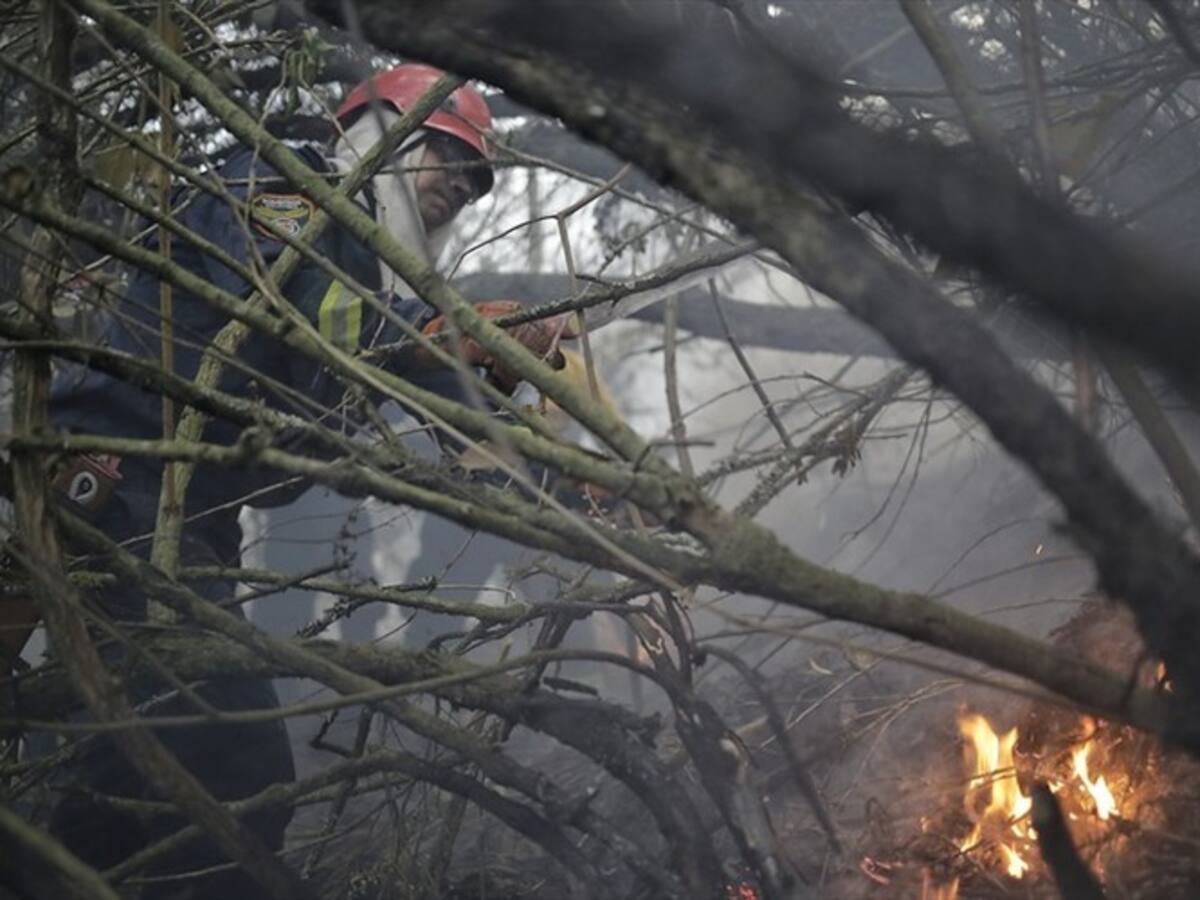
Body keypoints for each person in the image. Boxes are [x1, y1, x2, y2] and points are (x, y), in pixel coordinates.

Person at [1, 63, 566, 898]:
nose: (462, 182)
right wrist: (453, 331)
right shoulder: (280, 182)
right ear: (377, 130)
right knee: (229, 753)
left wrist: (538, 454)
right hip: (120, 478)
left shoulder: (371, 279)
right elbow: (301, 305)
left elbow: (393, 356)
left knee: (143, 760)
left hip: (185, 510)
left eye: (477, 178)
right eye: (444, 149)